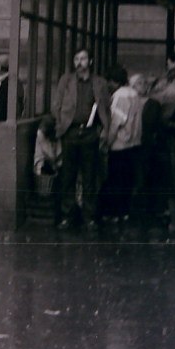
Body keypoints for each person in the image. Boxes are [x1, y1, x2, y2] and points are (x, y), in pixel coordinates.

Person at [50, 49, 111, 231]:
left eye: (83, 58)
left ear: (90, 61)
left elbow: (106, 108)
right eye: (76, 59)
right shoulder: (66, 81)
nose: (79, 62)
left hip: (90, 134)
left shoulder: (99, 83)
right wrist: (61, 124)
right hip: (70, 133)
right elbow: (57, 105)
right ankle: (68, 216)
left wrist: (104, 130)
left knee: (90, 176)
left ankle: (89, 216)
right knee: (68, 176)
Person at [142, 51, 175, 233]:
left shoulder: (169, 86)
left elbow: (161, 118)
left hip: (171, 144)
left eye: (169, 63)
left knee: (173, 183)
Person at [104, 71, 150, 224]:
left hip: (120, 144)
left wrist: (108, 142)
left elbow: (117, 122)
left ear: (114, 81)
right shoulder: (135, 95)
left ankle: (115, 214)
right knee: (127, 181)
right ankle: (124, 212)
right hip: (134, 144)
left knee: (116, 180)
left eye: (109, 82)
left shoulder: (120, 96)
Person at [0, 54, 22, 123]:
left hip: (3, 123)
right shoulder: (14, 81)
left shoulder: (7, 83)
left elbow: (1, 106)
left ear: (0, 67)